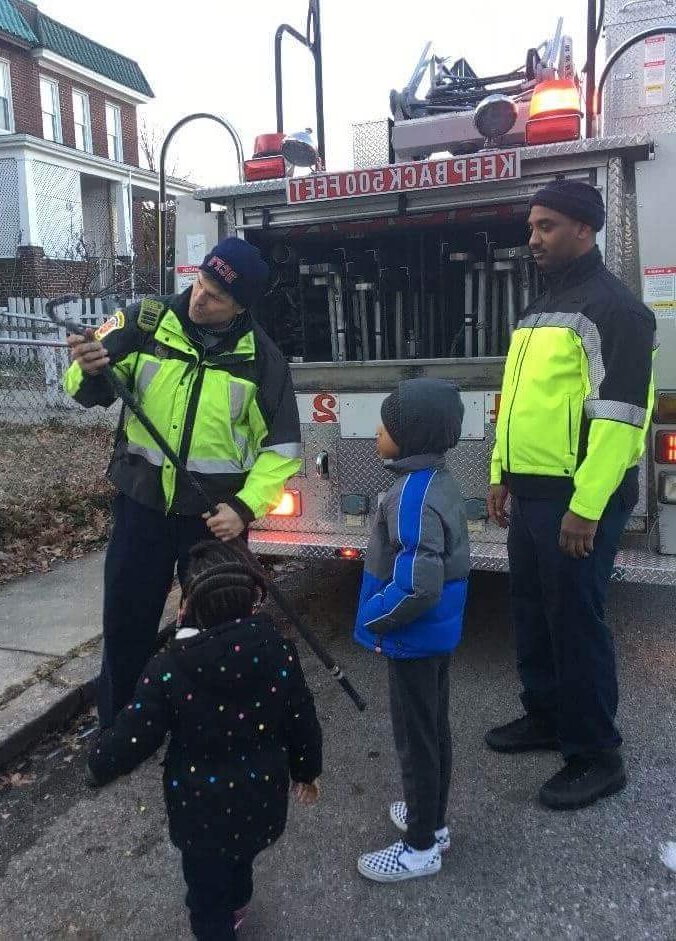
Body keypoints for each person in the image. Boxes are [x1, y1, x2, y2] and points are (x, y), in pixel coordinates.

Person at [62, 238, 302, 727]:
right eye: (200, 283)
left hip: (214, 523)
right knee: (126, 624)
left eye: (215, 295)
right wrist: (86, 369)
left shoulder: (264, 361)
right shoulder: (145, 322)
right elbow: (93, 390)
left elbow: (282, 451)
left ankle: (205, 727)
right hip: (141, 507)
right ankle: (118, 730)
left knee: (217, 629)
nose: (199, 298)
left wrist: (245, 506)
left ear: (241, 307)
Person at [485, 180, 656, 809]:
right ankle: (547, 717)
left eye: (547, 227)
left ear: (585, 230)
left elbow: (618, 419)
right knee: (530, 609)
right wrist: (501, 470)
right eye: (532, 227)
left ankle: (595, 754)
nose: (533, 238)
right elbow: (518, 406)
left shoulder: (618, 311)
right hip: (530, 493)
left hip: (577, 500)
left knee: (575, 619)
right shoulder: (537, 310)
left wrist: (586, 507)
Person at [86, 539, 323, 940]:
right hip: (262, 799)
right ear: (252, 600)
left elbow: (135, 734)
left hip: (200, 811)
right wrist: (307, 770)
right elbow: (301, 715)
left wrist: (99, 761)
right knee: (241, 858)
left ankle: (219, 923)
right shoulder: (279, 652)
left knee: (205, 895)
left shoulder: (169, 668)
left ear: (188, 606)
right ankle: (238, 902)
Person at [353, 378, 470, 883]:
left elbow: (418, 586)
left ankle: (420, 846)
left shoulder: (412, 496)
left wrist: (373, 617)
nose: (378, 430)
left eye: (388, 424)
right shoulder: (435, 479)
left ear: (411, 437)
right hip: (434, 636)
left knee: (415, 739)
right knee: (433, 730)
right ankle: (433, 820)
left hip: (413, 636)